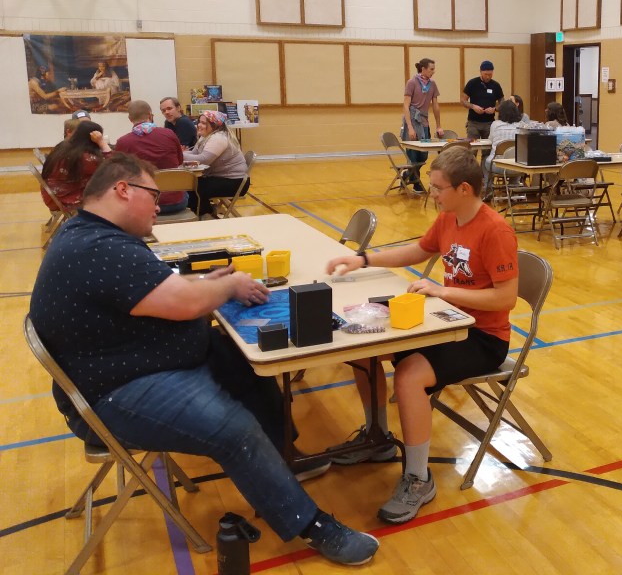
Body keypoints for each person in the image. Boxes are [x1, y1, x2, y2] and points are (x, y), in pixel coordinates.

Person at [29, 153, 378, 566]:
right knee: (233, 429)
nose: (159, 205)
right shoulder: (99, 248)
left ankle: (284, 458)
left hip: (131, 365)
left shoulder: (94, 236)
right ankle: (312, 525)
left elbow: (158, 291)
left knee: (241, 358)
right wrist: (228, 285)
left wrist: (202, 284)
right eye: (153, 196)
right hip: (112, 396)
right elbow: (184, 304)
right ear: (122, 190)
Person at [325, 147, 518, 524]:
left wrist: (444, 291)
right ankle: (377, 438)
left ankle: (418, 478)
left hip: (483, 337)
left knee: (410, 376)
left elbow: (505, 298)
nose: (432, 193)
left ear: (464, 189)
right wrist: (363, 260)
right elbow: (418, 250)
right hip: (447, 321)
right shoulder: (448, 219)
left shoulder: (495, 230)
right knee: (363, 347)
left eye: (438, 188)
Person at [115, 100, 188, 214]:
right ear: (150, 115)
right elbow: (180, 161)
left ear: (130, 119)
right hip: (175, 202)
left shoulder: (122, 142)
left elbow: (118, 171)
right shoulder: (169, 134)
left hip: (142, 204)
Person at [183, 110, 248, 218]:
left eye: (204, 123)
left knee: (193, 187)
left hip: (235, 183)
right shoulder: (206, 135)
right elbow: (194, 154)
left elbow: (203, 160)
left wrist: (177, 155)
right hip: (224, 179)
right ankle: (206, 212)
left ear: (215, 125)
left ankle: (206, 214)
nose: (199, 125)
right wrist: (179, 153)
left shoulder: (218, 138)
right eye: (199, 122)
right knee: (190, 184)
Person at [40, 120, 112, 211]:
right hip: (65, 199)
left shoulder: (64, 146)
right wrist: (102, 142)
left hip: (53, 196)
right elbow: (113, 165)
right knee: (111, 193)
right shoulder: (85, 157)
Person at [402, 58, 442, 194]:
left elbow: (435, 105)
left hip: (424, 121)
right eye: (431, 69)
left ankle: (407, 175)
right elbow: (406, 106)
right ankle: (416, 183)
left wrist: (438, 125)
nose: (433, 71)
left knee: (423, 155)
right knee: (413, 155)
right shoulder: (412, 82)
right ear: (423, 69)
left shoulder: (433, 84)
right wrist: (410, 127)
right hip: (413, 120)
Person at [461, 60, 504, 139]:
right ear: (481, 72)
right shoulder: (472, 83)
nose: (488, 77)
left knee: (488, 145)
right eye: (485, 74)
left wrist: (494, 109)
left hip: (489, 123)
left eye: (490, 74)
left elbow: (502, 102)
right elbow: (463, 100)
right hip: (473, 123)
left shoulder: (496, 85)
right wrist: (473, 106)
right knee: (472, 145)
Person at [483, 100, 521, 184]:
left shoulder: (495, 124)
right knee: (518, 161)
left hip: (497, 165)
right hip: (517, 166)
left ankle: (488, 185)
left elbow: (491, 140)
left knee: (485, 159)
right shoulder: (520, 126)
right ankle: (513, 185)